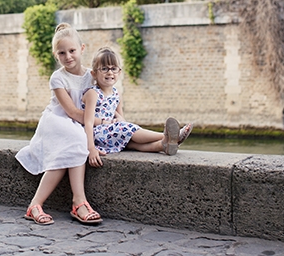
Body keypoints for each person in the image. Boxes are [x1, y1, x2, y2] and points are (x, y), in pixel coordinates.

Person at [16, 23, 103, 226]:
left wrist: (115, 117)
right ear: (57, 56)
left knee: (73, 146)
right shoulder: (58, 78)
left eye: (72, 51)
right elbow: (71, 111)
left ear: (82, 49)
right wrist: (101, 121)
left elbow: (108, 96)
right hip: (57, 120)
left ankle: (35, 205)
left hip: (80, 121)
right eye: (62, 53)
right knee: (77, 140)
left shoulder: (91, 76)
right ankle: (78, 201)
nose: (68, 56)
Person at [82, 46, 193, 168]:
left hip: (112, 132)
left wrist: (119, 120)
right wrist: (91, 148)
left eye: (113, 68)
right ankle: (167, 135)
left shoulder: (116, 93)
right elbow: (88, 122)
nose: (109, 72)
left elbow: (122, 119)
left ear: (119, 72)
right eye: (104, 69)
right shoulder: (93, 93)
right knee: (127, 129)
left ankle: (164, 145)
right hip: (97, 134)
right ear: (94, 74)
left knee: (133, 143)